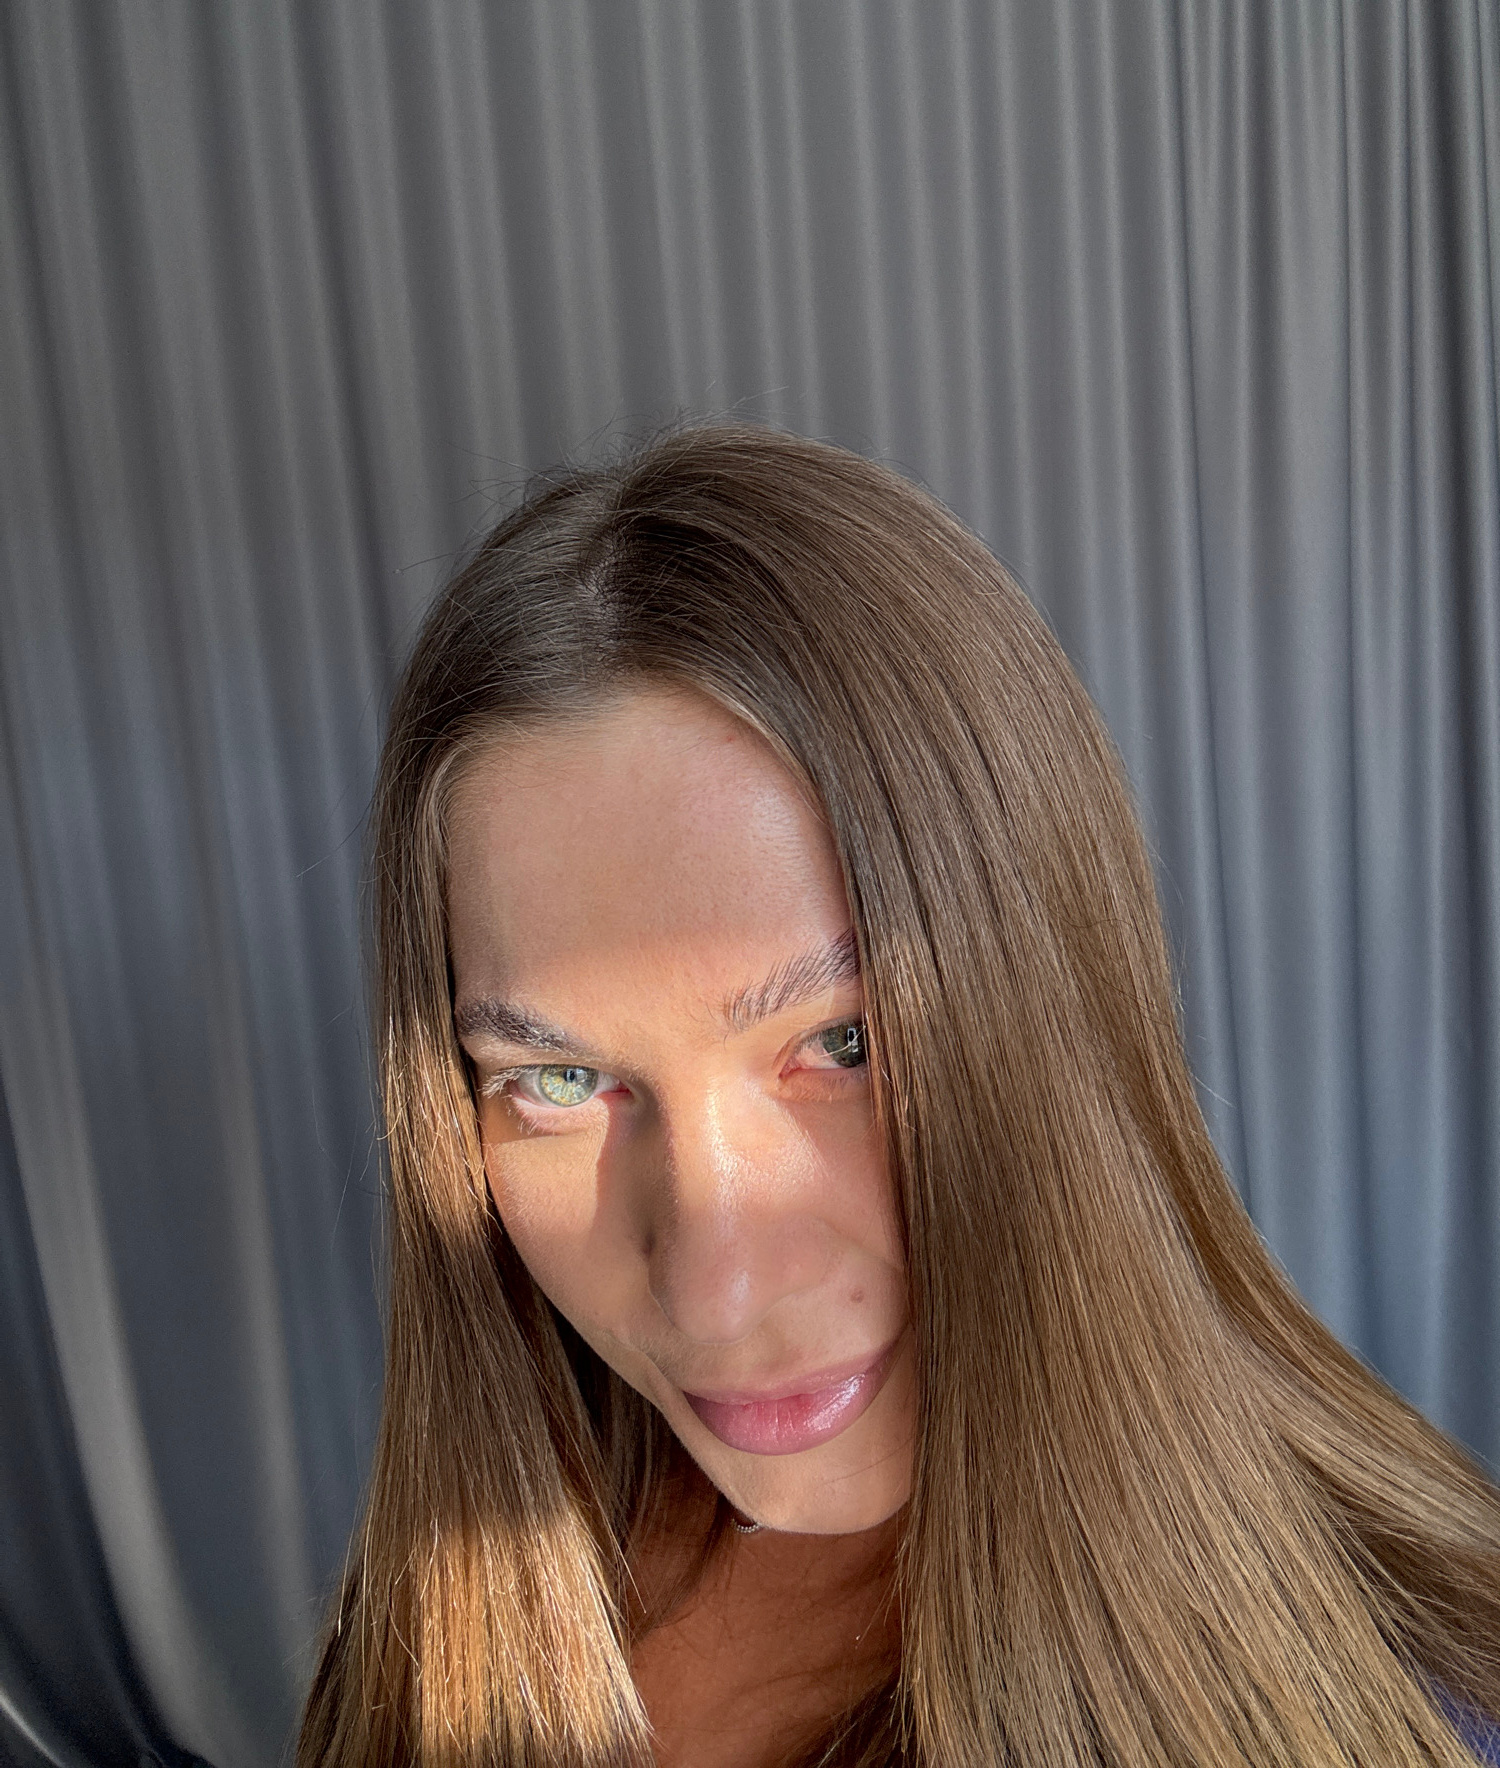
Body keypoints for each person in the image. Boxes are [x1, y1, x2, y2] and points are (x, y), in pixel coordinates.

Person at [298, 425, 1500, 1767]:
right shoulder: (456, 1601)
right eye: (561, 1081)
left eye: (846, 1043)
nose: (718, 1295)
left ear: (1058, 1012)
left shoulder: (1413, 1710)